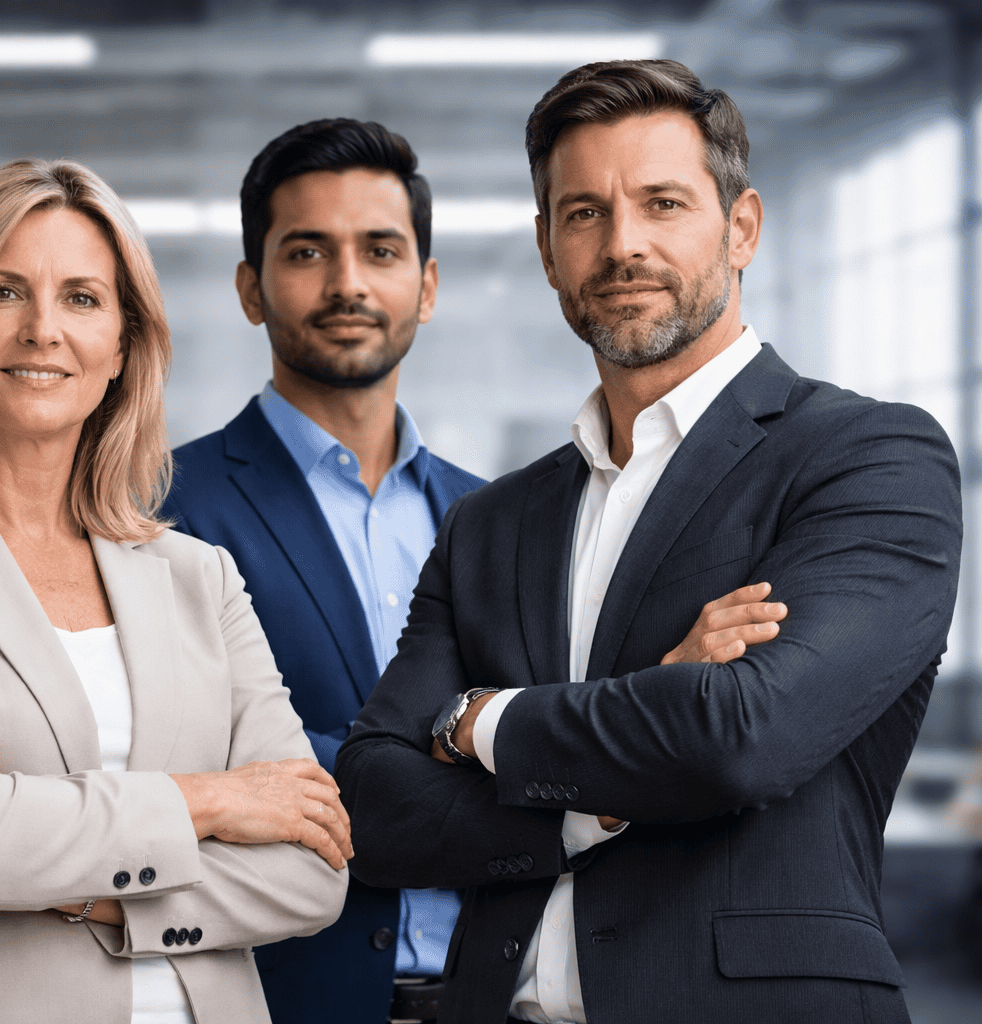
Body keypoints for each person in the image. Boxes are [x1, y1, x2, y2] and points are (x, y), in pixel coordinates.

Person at [336, 58, 962, 1024]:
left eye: (663, 202)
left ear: (741, 226)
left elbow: (740, 739)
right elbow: (377, 806)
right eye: (583, 213)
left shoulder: (868, 457)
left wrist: (477, 723)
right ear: (548, 250)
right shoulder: (491, 522)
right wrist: (620, 764)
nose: (622, 244)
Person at [0, 157, 350, 1024]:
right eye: (2, 293)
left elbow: (311, 872)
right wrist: (213, 801)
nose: (43, 329)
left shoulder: (199, 576)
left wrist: (62, 873)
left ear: (123, 346)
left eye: (82, 298)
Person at [162, 118, 484, 1024]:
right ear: (249, 288)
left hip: (499, 995)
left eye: (380, 250)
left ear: (425, 286)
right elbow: (188, 755)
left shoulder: (502, 516)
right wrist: (492, 773)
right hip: (274, 995)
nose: (348, 283)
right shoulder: (158, 508)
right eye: (307, 251)